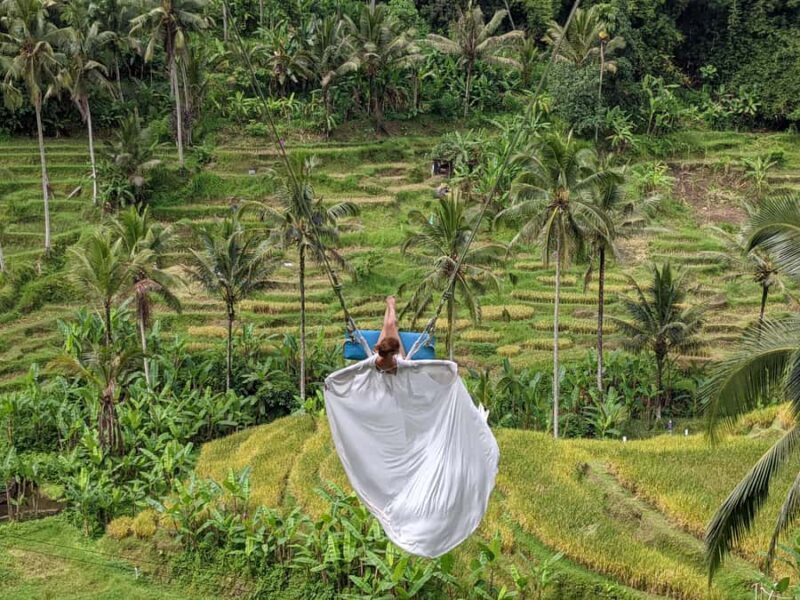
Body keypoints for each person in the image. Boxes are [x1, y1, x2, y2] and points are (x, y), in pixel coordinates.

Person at [375, 296, 404, 374]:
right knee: (391, 326)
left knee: (386, 327)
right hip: (399, 362)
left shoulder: (373, 360)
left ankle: (390, 305)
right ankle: (391, 305)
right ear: (393, 353)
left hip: (379, 356)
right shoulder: (400, 362)